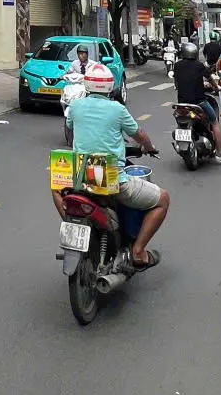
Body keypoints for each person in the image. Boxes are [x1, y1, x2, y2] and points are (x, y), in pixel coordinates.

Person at [55, 63, 169, 271]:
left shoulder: (76, 106)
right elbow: (139, 134)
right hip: (110, 180)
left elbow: (70, 129)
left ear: (87, 85)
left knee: (56, 189)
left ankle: (73, 225)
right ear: (110, 87)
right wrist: (149, 147)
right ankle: (138, 251)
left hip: (80, 178)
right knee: (163, 199)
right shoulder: (117, 109)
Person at [173, 42, 221, 164]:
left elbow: (176, 82)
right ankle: (220, 154)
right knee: (215, 122)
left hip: (182, 104)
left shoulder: (177, 65)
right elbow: (210, 79)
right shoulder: (199, 65)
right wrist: (216, 87)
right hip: (199, 103)